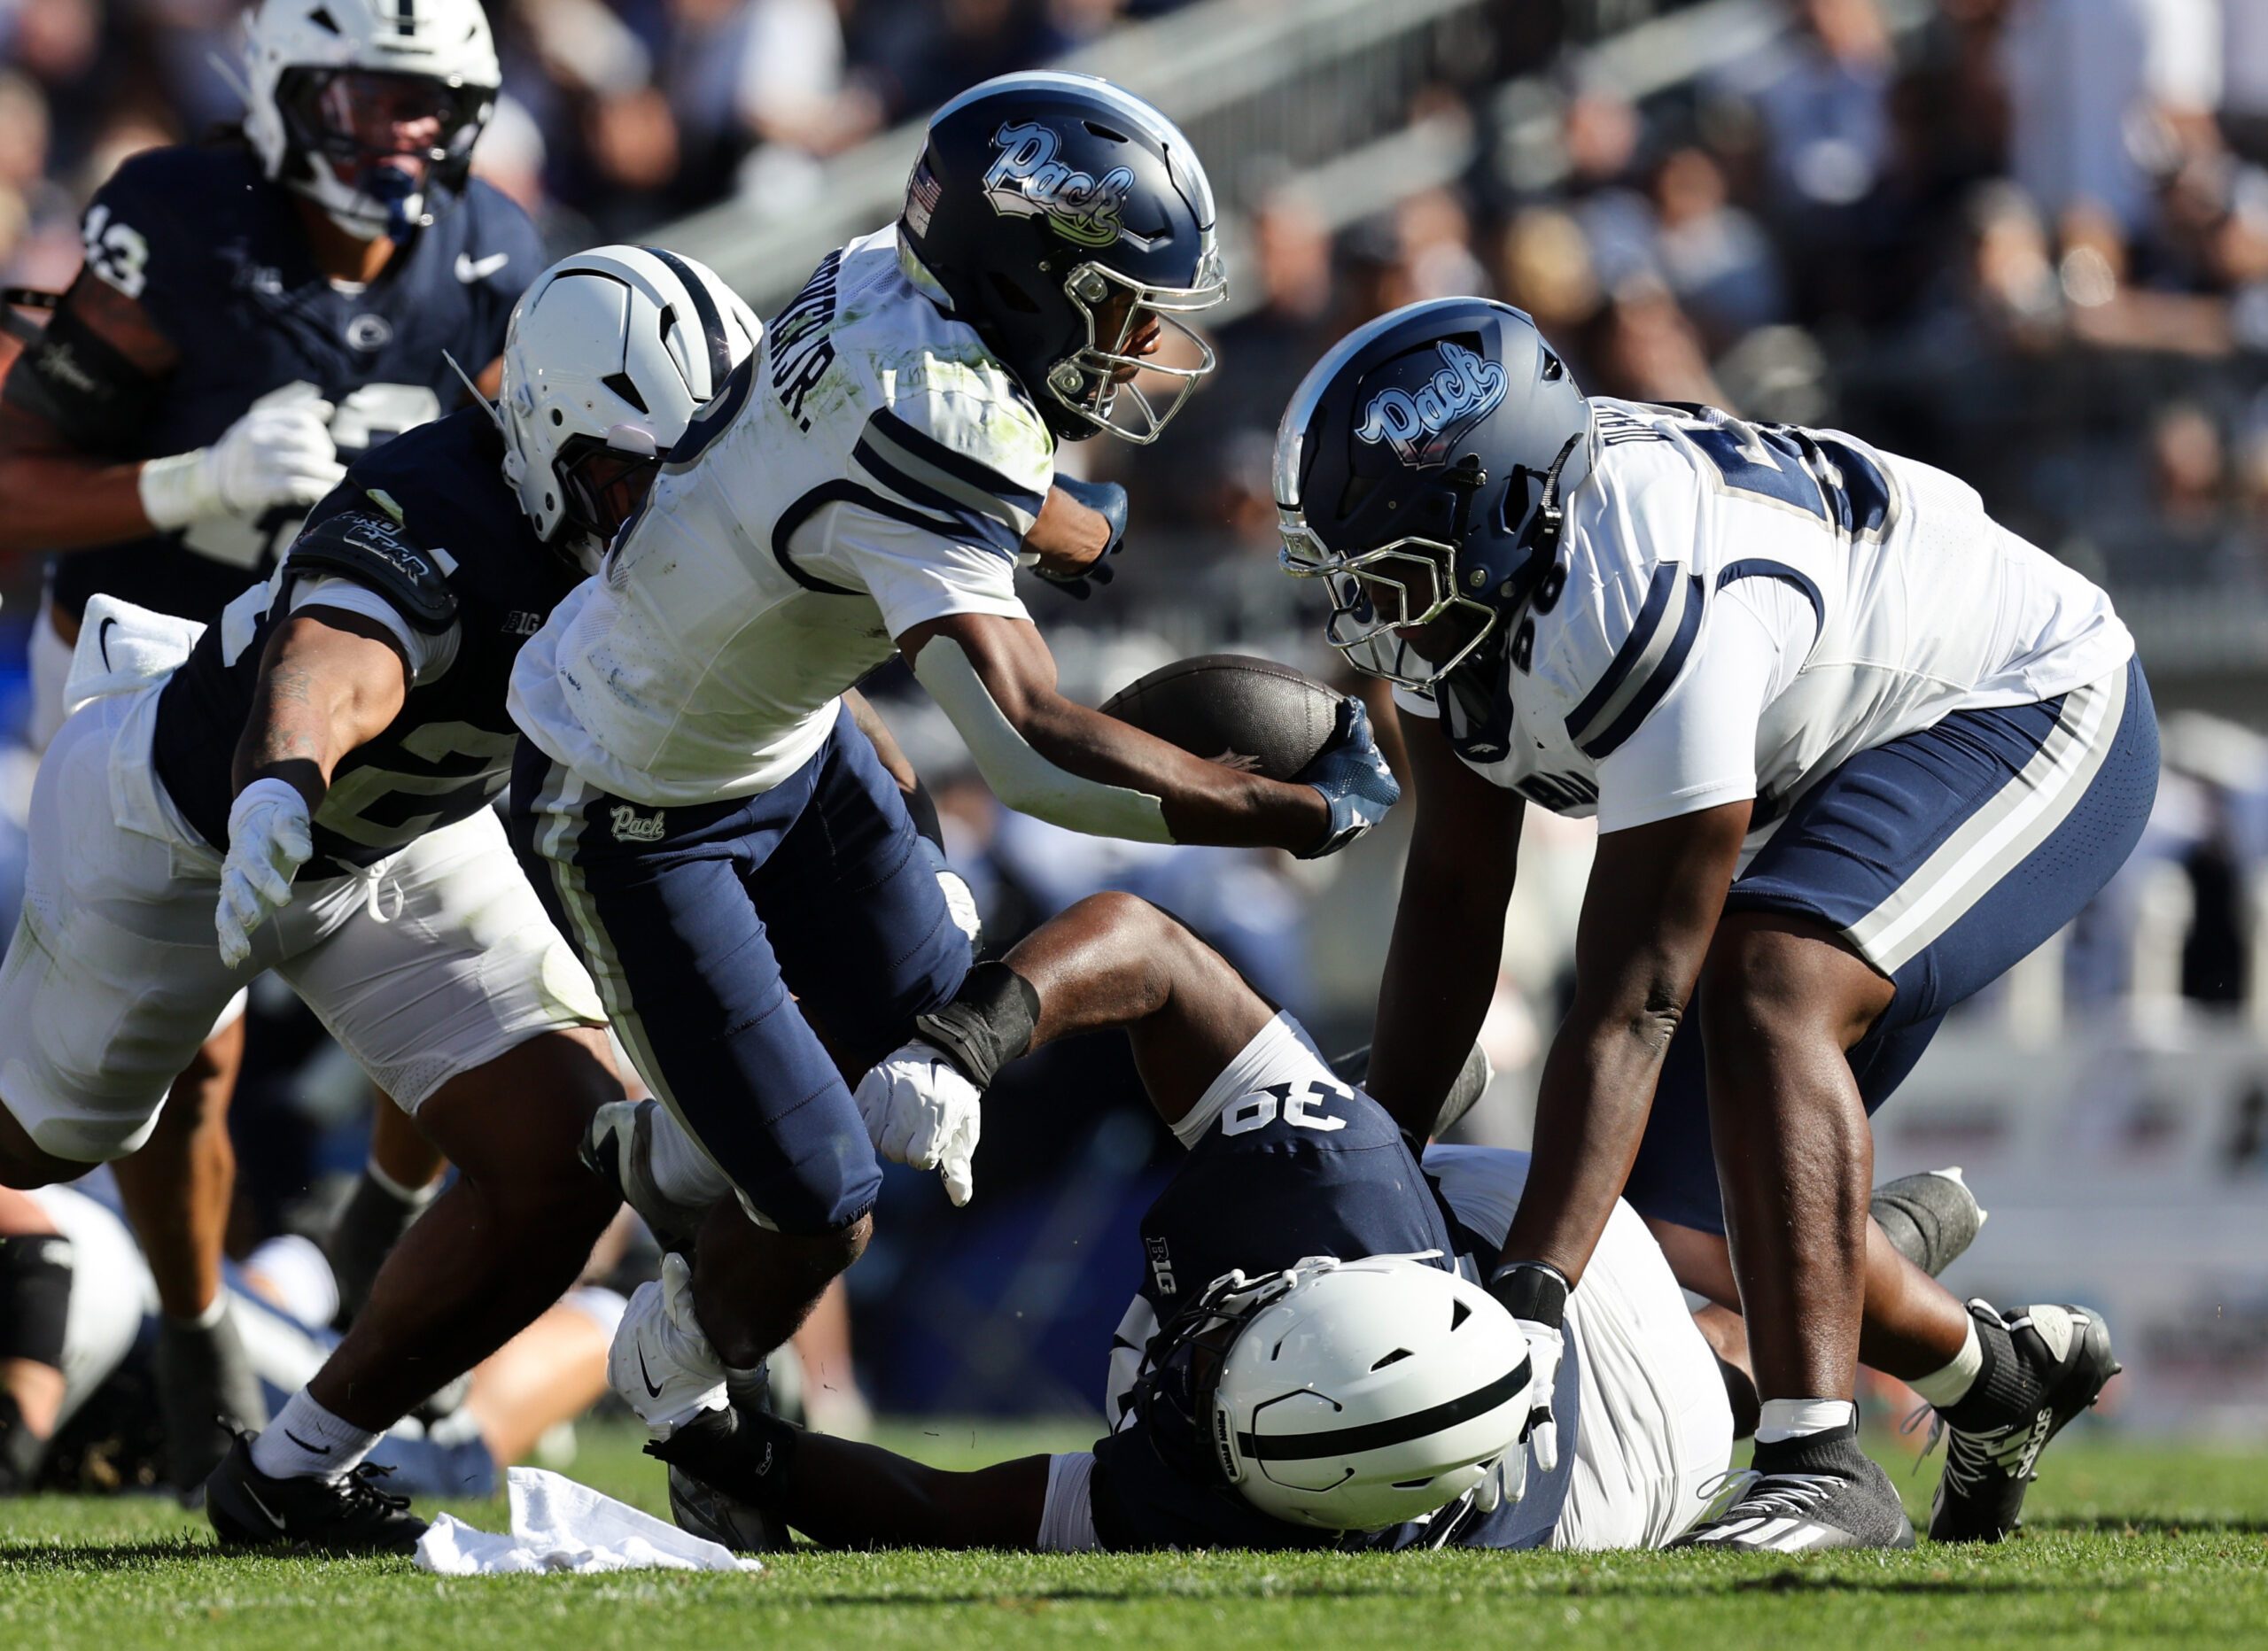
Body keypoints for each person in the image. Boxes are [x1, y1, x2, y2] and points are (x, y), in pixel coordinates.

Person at [508, 70, 1399, 1437]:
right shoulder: (929, 412)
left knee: (934, 1015)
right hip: (633, 790)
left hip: (785, 737)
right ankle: (660, 1359)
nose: (1148, 338)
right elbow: (1036, 751)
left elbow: (871, 446)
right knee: (822, 1211)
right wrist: (1277, 807)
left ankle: (696, 1128)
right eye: (1120, 300)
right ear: (1026, 277)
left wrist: (1065, 525)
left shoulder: (889, 273)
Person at [1275, 297, 2148, 1548]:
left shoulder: (1648, 586)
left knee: (1766, 985)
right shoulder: (1489, 577)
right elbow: (1459, 890)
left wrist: (1521, 1309)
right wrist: (1380, 1164)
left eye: (1394, 566)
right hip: (1824, 753)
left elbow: (1636, 999)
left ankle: (1821, 1464)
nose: (1370, 608)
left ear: (1502, 513)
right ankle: (1997, 1381)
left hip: (2023, 703)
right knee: (1683, 1241)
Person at [0, 246, 758, 1552]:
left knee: (569, 1156)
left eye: (694, 482)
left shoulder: (684, 509)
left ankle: (292, 1473)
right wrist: (282, 786)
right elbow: (330, 657)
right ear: (548, 439)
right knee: (36, 1149)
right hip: (182, 828)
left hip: (401, 839)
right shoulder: (434, 497)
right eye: (632, 481)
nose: (663, 518)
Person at [0, 0, 540, 1482]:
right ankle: (191, 1335)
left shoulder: (496, 257)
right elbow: (14, 486)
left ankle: (374, 1216)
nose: (404, 133)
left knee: (479, 966)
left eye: (432, 102)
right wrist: (187, 484)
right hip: (149, 674)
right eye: (370, 95)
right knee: (189, 1054)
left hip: (385, 686)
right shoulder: (182, 224)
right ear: (287, 86)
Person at [643, 890, 1733, 1553]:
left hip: (1620, 1473)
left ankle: (1838, 1294)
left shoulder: (1240, 1507)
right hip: (1470, 1242)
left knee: (1715, 1372)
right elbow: (1148, 947)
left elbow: (949, 1509)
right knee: (1353, 1151)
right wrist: (965, 1043)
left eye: (1210, 1385)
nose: (1185, 1362)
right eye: (1224, 1346)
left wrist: (715, 1440)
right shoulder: (1336, 1200)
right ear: (1307, 1278)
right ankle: (1362, 1117)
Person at [0, 1181, 622, 1501]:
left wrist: (14, 1441)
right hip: (88, 1385)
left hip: (120, 1310)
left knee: (441, 1454)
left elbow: (35, 1240)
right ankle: (314, 1266)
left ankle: (623, 1319)